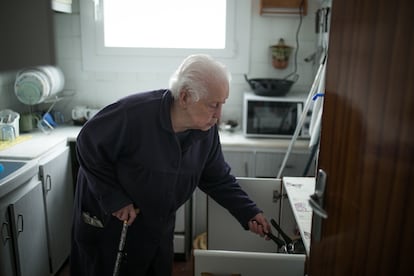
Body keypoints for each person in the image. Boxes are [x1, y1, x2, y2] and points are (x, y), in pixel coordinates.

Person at [70, 54, 271, 276]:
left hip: (156, 227)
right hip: (110, 223)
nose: (219, 115)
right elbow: (87, 145)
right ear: (184, 97)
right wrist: (115, 199)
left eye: (222, 104)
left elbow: (217, 178)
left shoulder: (206, 131)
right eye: (213, 105)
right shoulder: (133, 114)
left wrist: (248, 212)